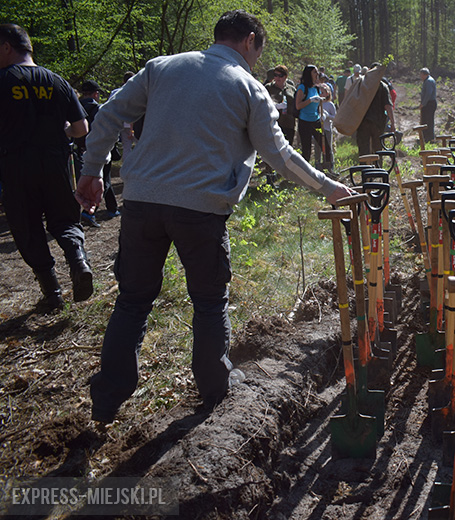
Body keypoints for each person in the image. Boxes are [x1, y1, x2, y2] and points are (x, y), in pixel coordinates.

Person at [75, 10, 353, 424]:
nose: (256, 59)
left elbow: (108, 114)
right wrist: (329, 187)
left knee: (132, 301)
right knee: (208, 301)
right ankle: (214, 387)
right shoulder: (248, 87)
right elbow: (280, 156)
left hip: (142, 203)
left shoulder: (162, 67)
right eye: (258, 51)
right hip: (201, 211)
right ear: (249, 42)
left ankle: (107, 399)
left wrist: (91, 170)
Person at [0, 23, 93, 309]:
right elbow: (81, 128)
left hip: (16, 167)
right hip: (56, 164)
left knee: (27, 227)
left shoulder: (2, 80)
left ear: (6, 47)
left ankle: (52, 293)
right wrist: (60, 132)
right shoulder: (57, 81)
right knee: (65, 219)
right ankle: (78, 260)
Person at [74, 80, 120, 227]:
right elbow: (108, 131)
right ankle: (90, 212)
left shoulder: (76, 108)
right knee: (103, 180)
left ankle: (110, 209)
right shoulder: (99, 109)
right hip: (100, 151)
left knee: (85, 180)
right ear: (96, 94)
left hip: (80, 151)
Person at [356, 62, 396, 156]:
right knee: (377, 150)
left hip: (364, 121)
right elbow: (388, 106)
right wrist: (393, 124)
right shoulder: (382, 86)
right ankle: (376, 168)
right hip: (376, 122)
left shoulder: (362, 84)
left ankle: (366, 169)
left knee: (364, 150)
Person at [295, 64, 326, 164]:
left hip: (315, 120)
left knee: (325, 145)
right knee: (306, 150)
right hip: (304, 122)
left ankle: (329, 168)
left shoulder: (316, 88)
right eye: (315, 72)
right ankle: (305, 173)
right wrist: (310, 100)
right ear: (309, 74)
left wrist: (322, 114)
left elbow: (321, 101)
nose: (317, 74)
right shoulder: (302, 88)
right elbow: (298, 106)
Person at [418, 67, 437, 144]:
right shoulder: (428, 80)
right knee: (426, 120)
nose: (420, 76)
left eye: (421, 74)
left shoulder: (429, 81)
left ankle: (428, 138)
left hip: (429, 104)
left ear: (423, 74)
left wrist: (423, 104)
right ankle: (426, 137)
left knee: (427, 121)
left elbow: (428, 94)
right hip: (428, 103)